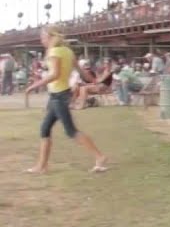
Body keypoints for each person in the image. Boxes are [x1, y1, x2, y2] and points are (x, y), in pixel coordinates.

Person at [25, 29, 110, 174]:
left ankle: (99, 157)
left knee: (71, 131)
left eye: (43, 37)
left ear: (51, 37)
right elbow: (83, 73)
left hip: (59, 96)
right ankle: (42, 166)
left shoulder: (54, 52)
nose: (41, 40)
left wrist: (34, 86)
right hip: (58, 95)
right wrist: (94, 80)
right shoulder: (67, 51)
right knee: (45, 129)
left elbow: (55, 74)